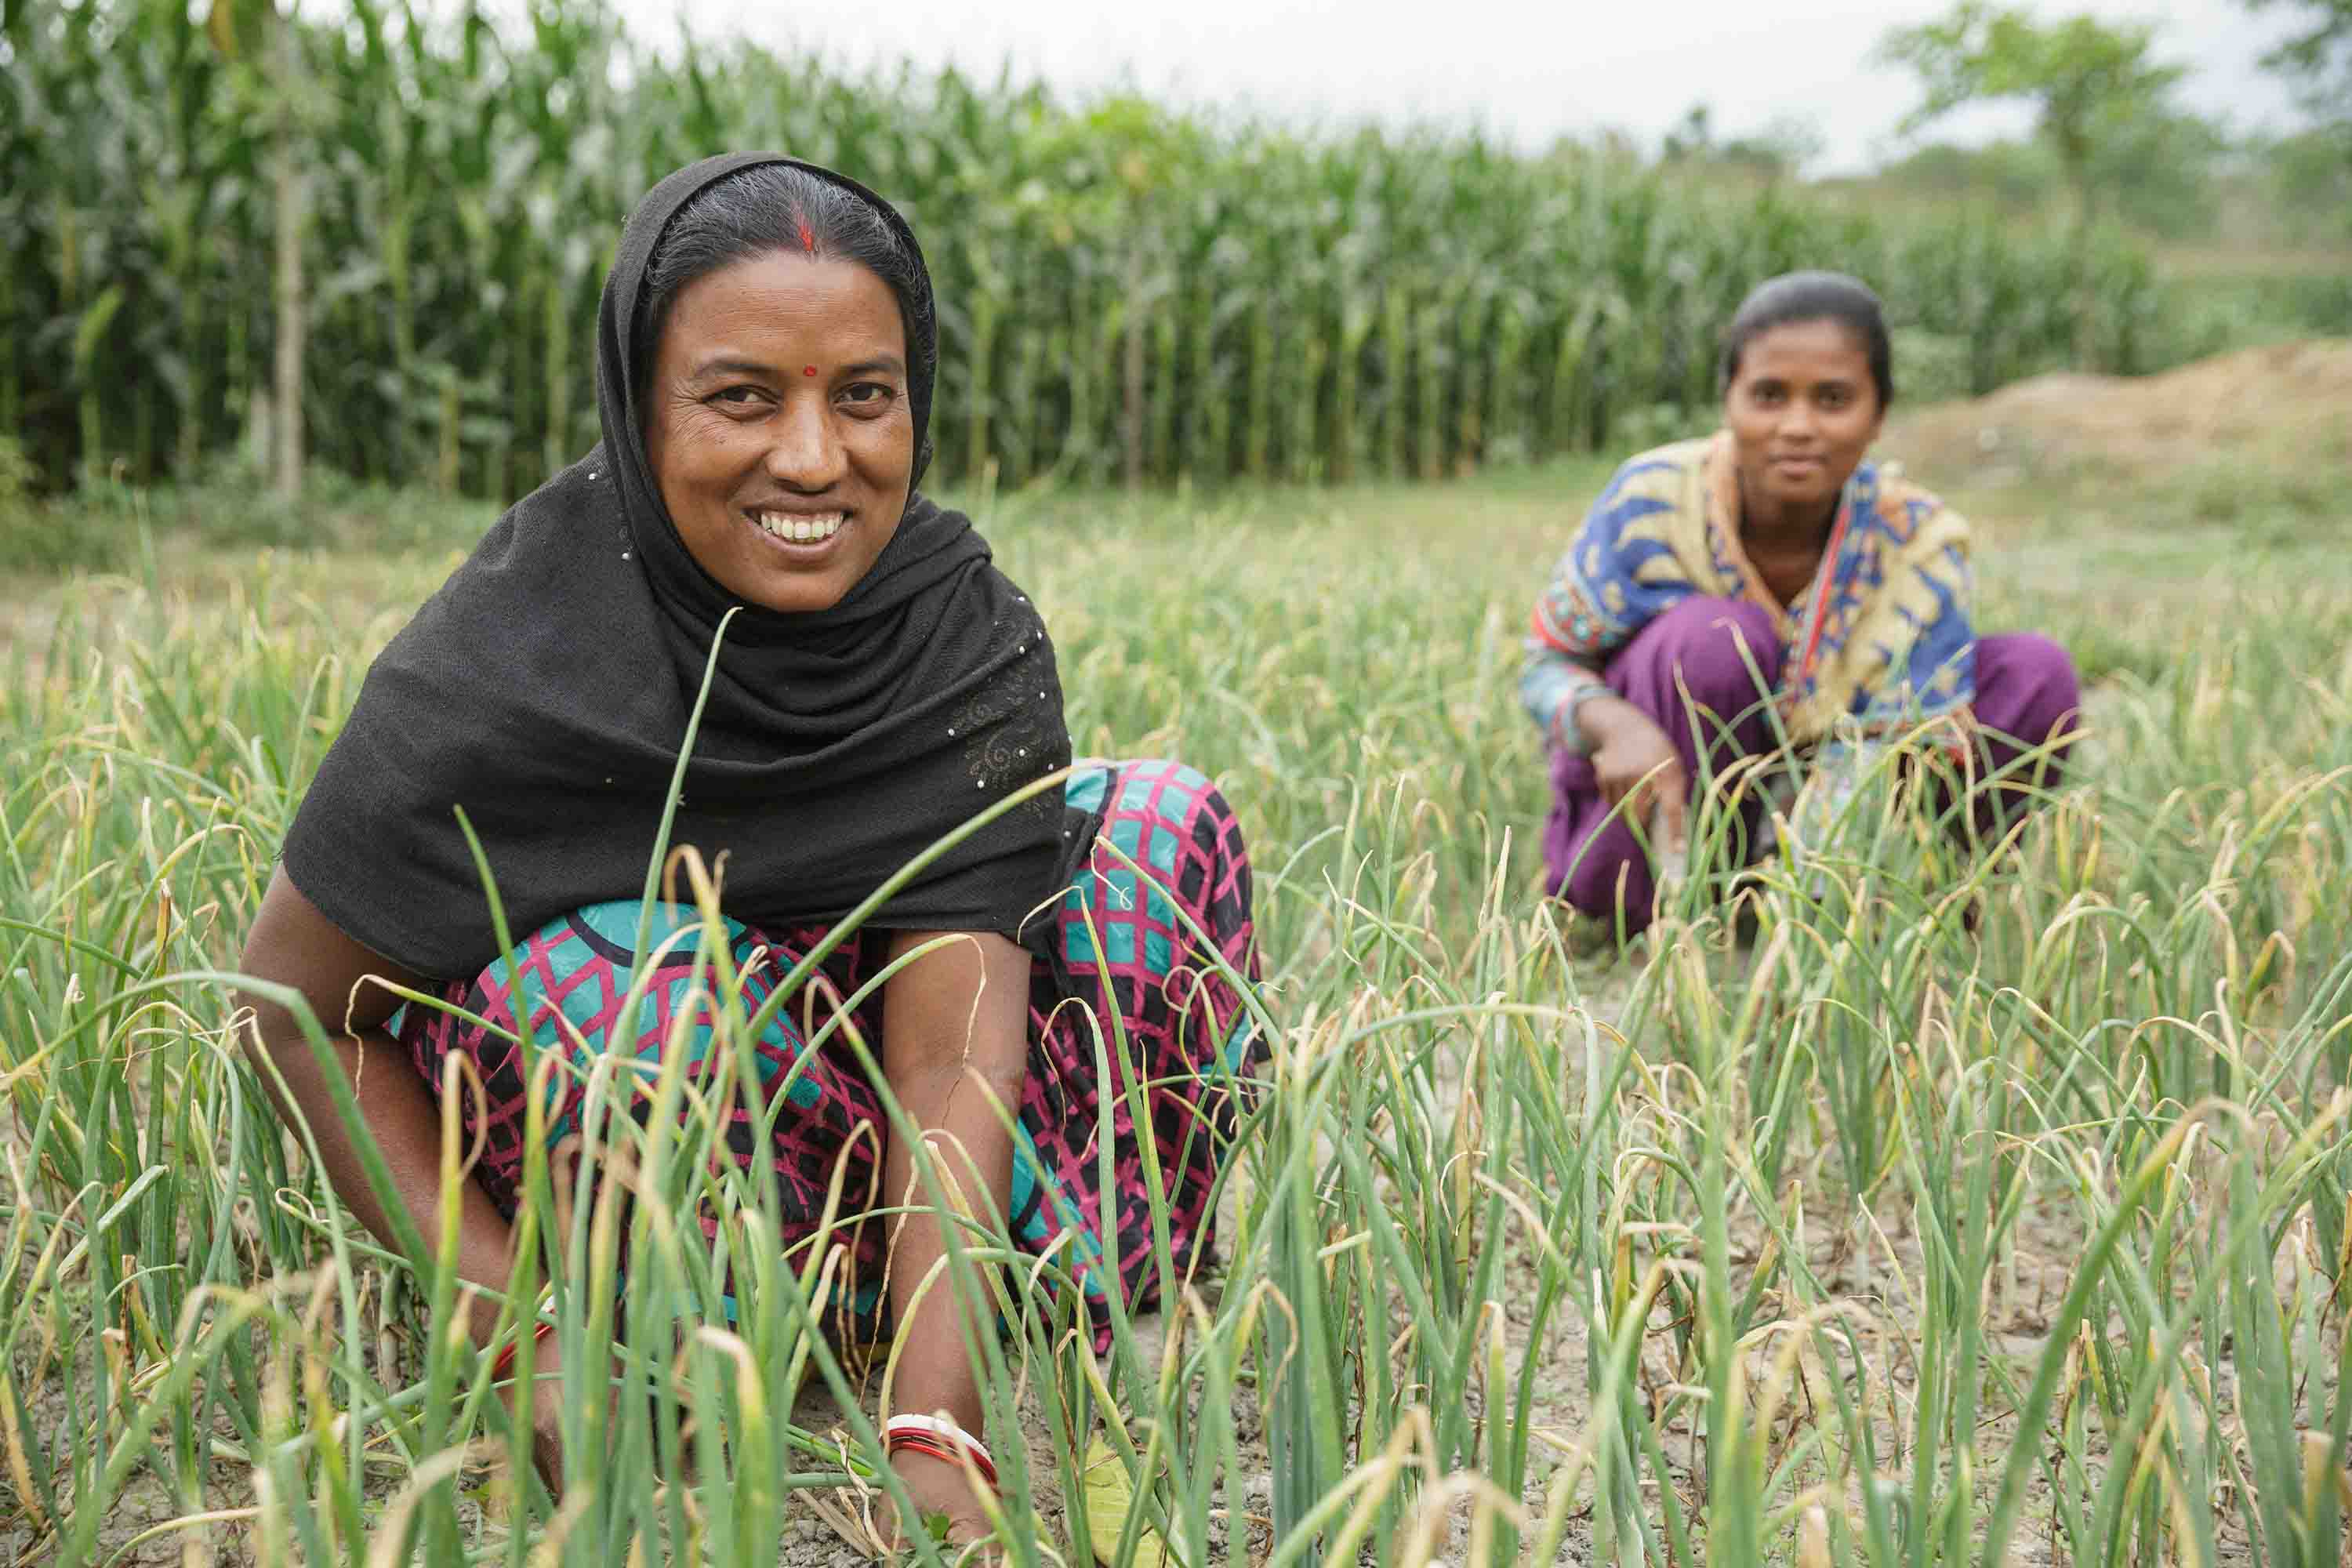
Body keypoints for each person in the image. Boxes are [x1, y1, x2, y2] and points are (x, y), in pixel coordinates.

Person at [234, 153, 1264, 1551]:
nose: (813, 459)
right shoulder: (507, 658)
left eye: (864, 395)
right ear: (638, 407)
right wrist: (513, 1335)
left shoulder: (960, 634)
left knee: (1155, 827)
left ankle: (995, 1310)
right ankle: (713, 1344)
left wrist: (933, 1424)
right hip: (682, 1211)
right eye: (740, 396)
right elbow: (293, 1013)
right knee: (609, 997)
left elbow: (951, 1059)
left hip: (929, 1176)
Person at [1519, 270, 2081, 936]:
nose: (1797, 426)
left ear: (1878, 416)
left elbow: (1906, 742)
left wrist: (1807, 901)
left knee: (2032, 673)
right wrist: (1614, 724)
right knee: (1712, 640)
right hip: (1660, 828)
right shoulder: (1653, 502)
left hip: (1847, 831)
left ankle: (1879, 909)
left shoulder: (1917, 544)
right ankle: (1675, 908)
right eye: (1768, 395)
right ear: (1729, 401)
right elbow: (1546, 665)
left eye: (1834, 399)